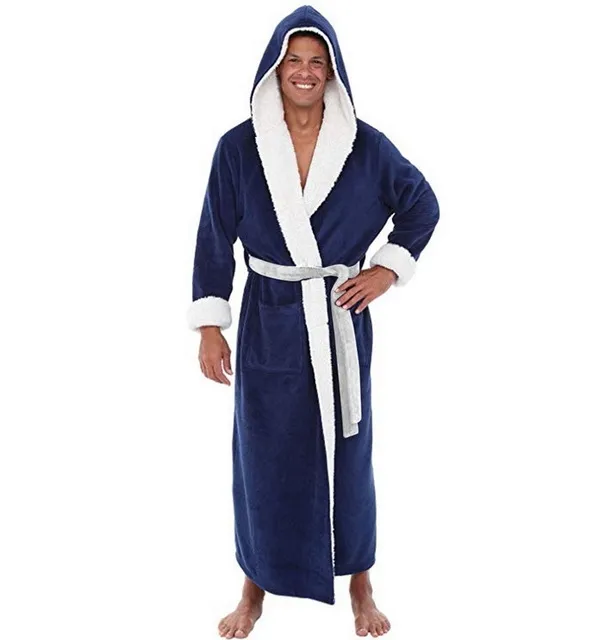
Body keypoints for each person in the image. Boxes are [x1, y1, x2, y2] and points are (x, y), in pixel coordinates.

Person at [187, 5, 440, 638]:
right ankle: (254, 587)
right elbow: (214, 235)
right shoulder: (238, 148)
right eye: (293, 61)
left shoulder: (366, 147)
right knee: (264, 455)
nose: (304, 72)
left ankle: (361, 584)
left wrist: (385, 271)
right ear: (275, 70)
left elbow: (422, 204)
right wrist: (211, 324)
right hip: (268, 318)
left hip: (339, 319)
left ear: (332, 72)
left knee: (349, 457)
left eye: (316, 62)